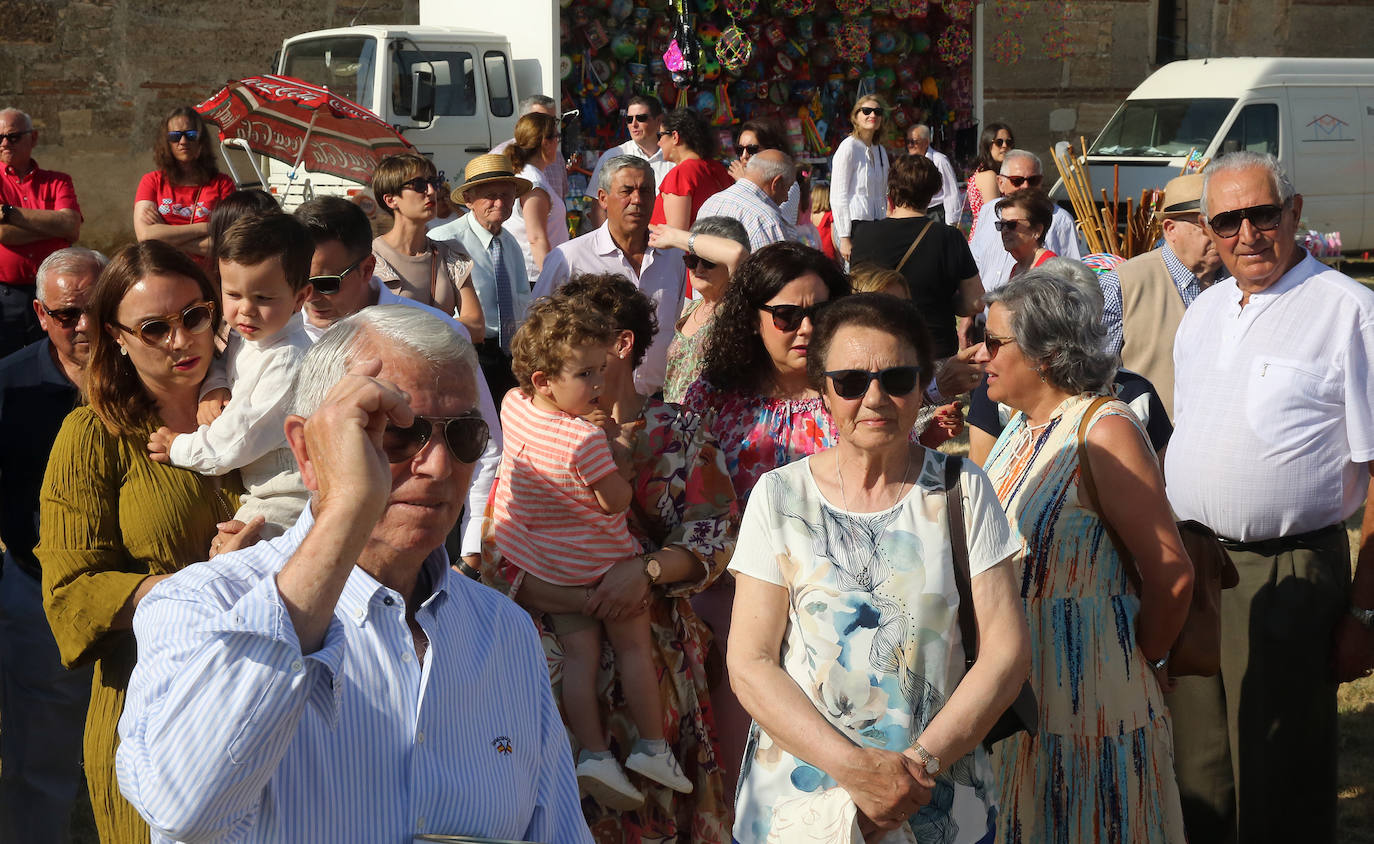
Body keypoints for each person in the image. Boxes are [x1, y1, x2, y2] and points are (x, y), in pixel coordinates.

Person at [115, 306, 593, 843]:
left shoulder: (504, 631)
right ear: (306, 450)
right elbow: (182, 806)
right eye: (394, 433)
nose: (437, 466)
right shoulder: (201, 604)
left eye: (462, 436)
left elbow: (557, 829)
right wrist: (345, 510)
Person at [729, 293, 1030, 842]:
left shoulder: (964, 491)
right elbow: (750, 662)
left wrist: (913, 770)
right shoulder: (777, 496)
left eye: (897, 379)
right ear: (822, 389)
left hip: (938, 798)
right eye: (849, 381)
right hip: (802, 808)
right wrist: (856, 771)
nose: (874, 398)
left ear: (922, 386)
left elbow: (1005, 655)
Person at [1164, 151, 1374, 844]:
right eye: (1229, 219)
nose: (1248, 232)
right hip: (1197, 570)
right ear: (1208, 227)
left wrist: (1363, 611)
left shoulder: (1349, 312)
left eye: (1264, 213)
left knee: (1278, 782)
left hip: (1285, 574)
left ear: (1295, 212)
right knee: (1199, 778)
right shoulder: (1205, 311)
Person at [481, 273, 737, 842]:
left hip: (652, 658)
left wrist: (642, 571)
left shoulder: (676, 431)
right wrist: (562, 593)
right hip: (550, 659)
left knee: (654, 815)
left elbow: (715, 535)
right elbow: (502, 530)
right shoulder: (538, 421)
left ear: (618, 345)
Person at [974, 269, 1194, 844]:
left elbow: (1171, 570)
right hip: (1024, 692)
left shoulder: (1105, 429)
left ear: (1045, 353)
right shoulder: (1021, 428)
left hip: (1096, 691)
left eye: (994, 342)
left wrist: (1138, 658)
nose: (980, 353)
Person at [37, 241, 240, 843]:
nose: (181, 341)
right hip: (152, 714)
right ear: (116, 337)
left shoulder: (256, 411)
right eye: (154, 328)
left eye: (194, 316)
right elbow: (72, 592)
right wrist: (198, 590)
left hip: (275, 705)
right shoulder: (92, 435)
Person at [678, 242, 850, 793]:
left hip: (834, 615)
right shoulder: (711, 397)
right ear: (752, 320)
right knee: (735, 778)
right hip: (727, 612)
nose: (804, 328)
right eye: (786, 315)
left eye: (819, 314)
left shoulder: (856, 395)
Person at [292, 195, 503, 580]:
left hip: (420, 560)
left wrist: (472, 549)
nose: (311, 298)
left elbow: (481, 442)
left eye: (324, 283)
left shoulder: (439, 332)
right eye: (299, 284)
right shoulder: (283, 337)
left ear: (367, 267)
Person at [0, 247, 103, 843]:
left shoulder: (149, 372)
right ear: (40, 314)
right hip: (35, 591)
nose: (84, 325)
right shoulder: (10, 384)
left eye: (94, 309)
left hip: (137, 598)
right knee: (37, 765)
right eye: (68, 315)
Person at [145, 213, 314, 539]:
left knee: (239, 555)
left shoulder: (288, 359)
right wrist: (216, 386)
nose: (246, 309)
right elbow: (224, 364)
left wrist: (178, 447)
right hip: (263, 483)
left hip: (290, 494)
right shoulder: (249, 333)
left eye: (263, 298)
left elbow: (236, 441)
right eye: (233, 294)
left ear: (301, 297)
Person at [966, 256, 1172, 467]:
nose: (981, 354)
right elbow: (980, 482)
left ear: (1047, 347)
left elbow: (1159, 486)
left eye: (994, 342)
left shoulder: (1115, 418)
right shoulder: (1012, 404)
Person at [536, 156, 685, 396]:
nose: (637, 200)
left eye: (645, 191)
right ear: (603, 198)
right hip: (590, 407)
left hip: (655, 400)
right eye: (626, 191)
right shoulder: (569, 258)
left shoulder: (673, 257)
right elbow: (537, 332)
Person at [1097, 173, 1226, 420]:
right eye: (1205, 224)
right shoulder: (1123, 283)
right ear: (1170, 229)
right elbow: (1095, 381)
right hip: (1148, 447)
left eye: (1223, 222)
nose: (1218, 233)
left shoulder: (1240, 282)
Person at [849, 152, 983, 360]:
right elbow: (975, 301)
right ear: (932, 193)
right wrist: (946, 301)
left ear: (891, 189)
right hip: (933, 349)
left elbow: (856, 292)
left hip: (878, 348)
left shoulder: (863, 234)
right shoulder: (949, 237)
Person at [430, 154, 533, 404]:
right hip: (465, 352)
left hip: (511, 356)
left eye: (506, 195)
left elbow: (524, 301)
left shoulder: (510, 243)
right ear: (468, 200)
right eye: (490, 195)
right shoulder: (445, 240)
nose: (499, 202)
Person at [369, 153, 483, 339]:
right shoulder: (371, 259)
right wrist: (449, 325)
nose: (431, 191)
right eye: (419, 185)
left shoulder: (451, 254)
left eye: (434, 182)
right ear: (390, 200)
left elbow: (476, 327)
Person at [0, 107, 82, 358]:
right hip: (6, 294)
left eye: (13, 136)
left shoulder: (57, 181)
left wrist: (9, 213)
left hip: (53, 291)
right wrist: (53, 229)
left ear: (32, 138)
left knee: (57, 358)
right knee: (7, 363)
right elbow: (3, 234)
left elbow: (71, 226)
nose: (5, 143)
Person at [649, 217, 750, 403]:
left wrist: (675, 236)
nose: (699, 268)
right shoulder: (692, 308)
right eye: (692, 260)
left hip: (712, 427)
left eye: (709, 261)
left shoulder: (737, 308)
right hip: (676, 425)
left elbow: (736, 253)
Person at [132, 105, 236, 268]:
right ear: (166, 141)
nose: (183, 142)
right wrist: (208, 227)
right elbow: (145, 236)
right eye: (175, 136)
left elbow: (225, 244)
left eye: (191, 135)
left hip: (208, 280)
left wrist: (164, 234)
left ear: (201, 140)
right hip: (164, 271)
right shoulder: (152, 181)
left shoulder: (223, 184)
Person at [969, 149, 1081, 297]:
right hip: (985, 313)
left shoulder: (1061, 219)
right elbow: (975, 261)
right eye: (1017, 180)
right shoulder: (988, 211)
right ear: (1000, 183)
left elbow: (1073, 278)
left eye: (1033, 180)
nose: (1026, 186)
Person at [585, 96, 673, 228]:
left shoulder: (674, 157)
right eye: (629, 119)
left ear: (659, 120)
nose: (634, 124)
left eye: (641, 118)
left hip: (665, 242)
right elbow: (598, 208)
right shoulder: (612, 156)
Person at [502, 112, 570, 283]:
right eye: (557, 137)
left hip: (532, 274)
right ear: (545, 143)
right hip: (535, 277)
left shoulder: (530, 176)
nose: (557, 143)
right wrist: (552, 283)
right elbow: (536, 238)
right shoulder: (533, 183)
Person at [829, 95, 891, 264]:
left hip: (877, 224)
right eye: (866, 111)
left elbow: (883, 191)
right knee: (856, 277)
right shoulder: (848, 147)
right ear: (856, 116)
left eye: (877, 112)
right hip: (854, 225)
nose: (872, 115)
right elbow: (838, 195)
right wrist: (844, 237)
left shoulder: (880, 151)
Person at [695, 150, 797, 253]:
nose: (786, 198)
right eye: (787, 189)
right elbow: (778, 268)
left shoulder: (711, 202)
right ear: (777, 183)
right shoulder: (767, 220)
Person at [650, 108, 733, 231]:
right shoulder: (718, 168)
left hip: (683, 249)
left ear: (675, 136)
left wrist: (641, 227)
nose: (658, 143)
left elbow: (676, 233)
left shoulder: (681, 174)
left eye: (660, 136)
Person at [492, 94, 569, 207]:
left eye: (553, 120)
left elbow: (561, 200)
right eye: (541, 120)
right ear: (523, 121)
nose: (550, 126)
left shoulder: (557, 157)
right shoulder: (499, 156)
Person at [729, 119, 802, 227]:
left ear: (771, 150)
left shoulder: (787, 183)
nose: (744, 156)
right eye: (740, 150)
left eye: (752, 149)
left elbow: (770, 221)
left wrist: (744, 182)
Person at [965, 122, 1012, 239]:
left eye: (1009, 142)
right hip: (989, 236)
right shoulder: (988, 175)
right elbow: (994, 215)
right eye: (999, 142)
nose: (1005, 146)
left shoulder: (995, 172)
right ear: (987, 144)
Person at [995, 190, 1058, 278]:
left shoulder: (1050, 269)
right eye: (1001, 225)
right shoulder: (1017, 269)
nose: (1005, 230)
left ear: (1037, 230)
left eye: (1012, 224)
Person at [906, 123, 960, 225]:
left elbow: (951, 192)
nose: (910, 145)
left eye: (914, 142)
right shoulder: (906, 162)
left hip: (935, 213)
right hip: (914, 214)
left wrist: (951, 222)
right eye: (908, 141)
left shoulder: (939, 160)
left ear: (926, 142)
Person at [810, 181, 836, 261]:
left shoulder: (809, 217)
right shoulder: (830, 216)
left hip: (813, 257)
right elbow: (834, 240)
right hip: (829, 259)